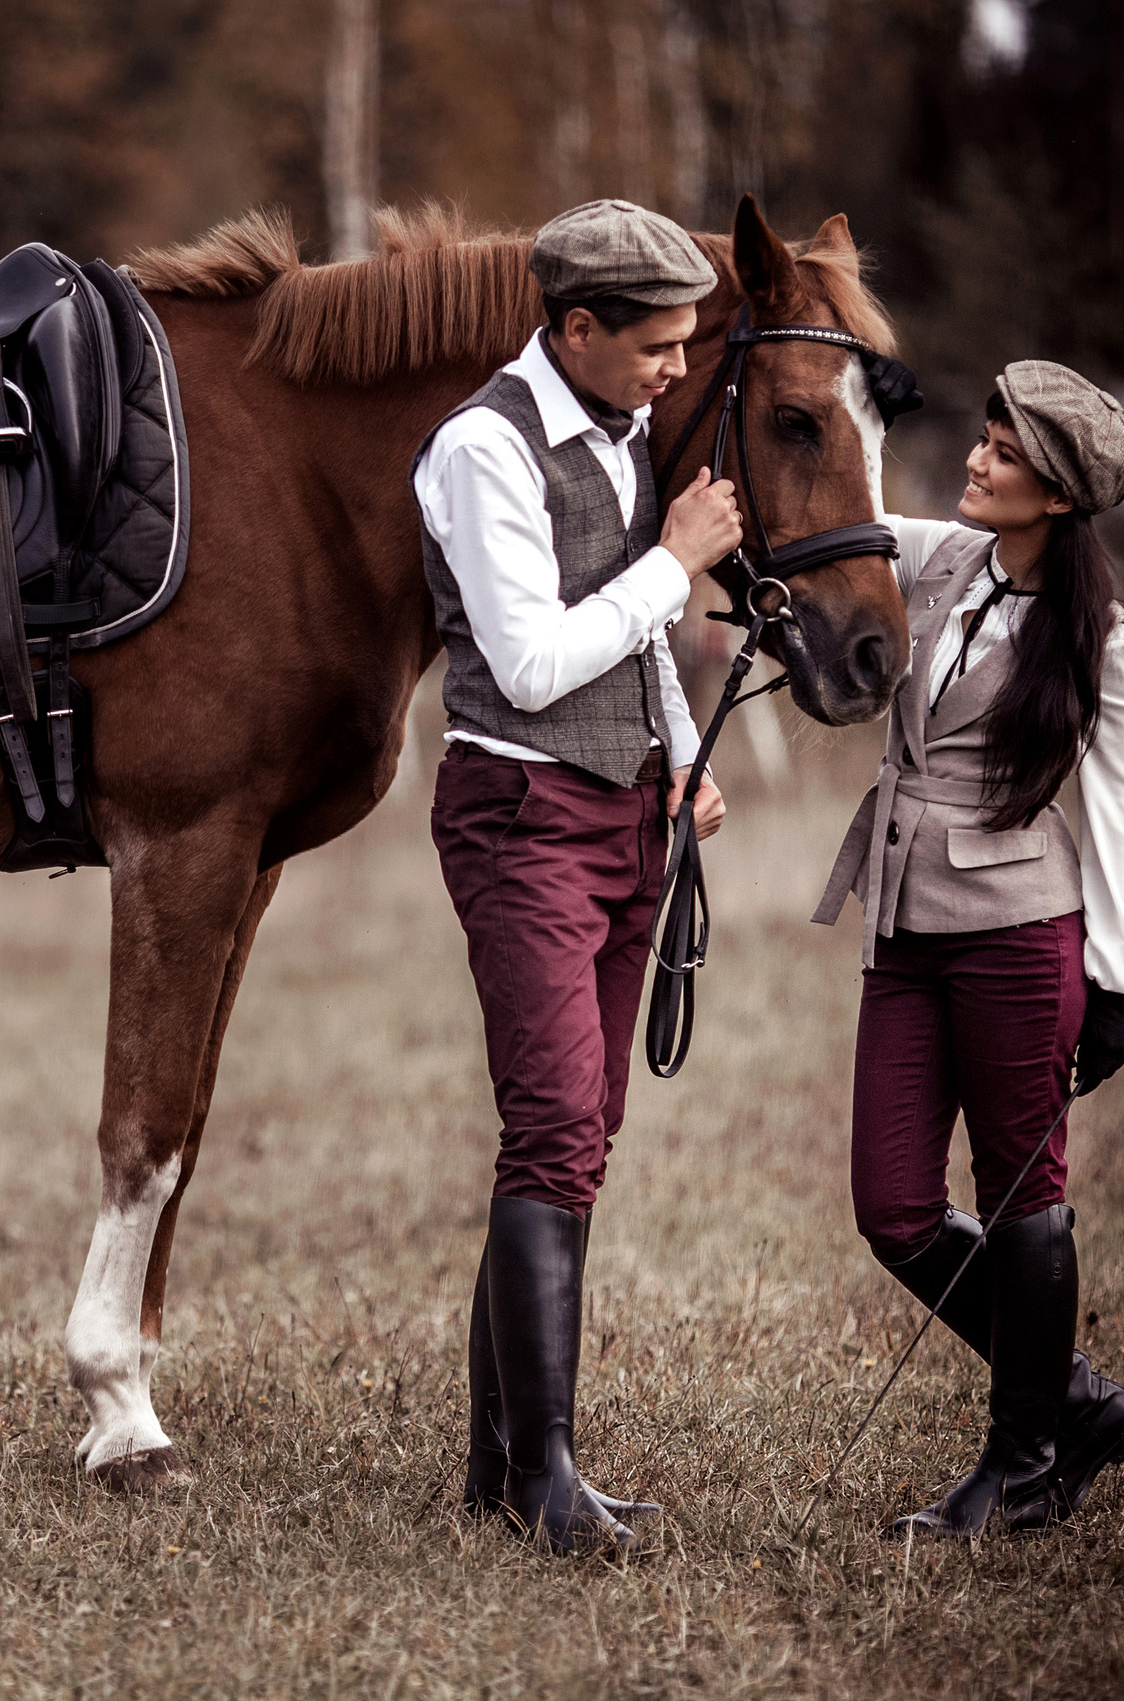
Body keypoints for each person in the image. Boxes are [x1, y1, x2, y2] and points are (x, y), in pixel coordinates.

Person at [413, 199, 744, 1554]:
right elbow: (537, 659)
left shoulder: (616, 436)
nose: (676, 368)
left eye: (685, 344)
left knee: (582, 1127)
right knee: (553, 1126)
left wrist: (677, 753)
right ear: (575, 327)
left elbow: (635, 639)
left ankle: (506, 1464)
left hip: (624, 816)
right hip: (520, 812)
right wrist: (676, 562)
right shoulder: (485, 447)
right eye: (655, 345)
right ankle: (546, 1473)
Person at [813, 360, 1124, 1536]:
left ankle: (1019, 1466)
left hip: (1021, 934)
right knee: (891, 1207)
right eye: (983, 437)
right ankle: (1069, 1400)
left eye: (1005, 454)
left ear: (1054, 497)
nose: (976, 460)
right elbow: (830, 532)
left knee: (1022, 1196)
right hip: (903, 921)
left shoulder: (1101, 644)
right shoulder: (938, 555)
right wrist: (850, 390)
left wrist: (1112, 985)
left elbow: (1112, 826)